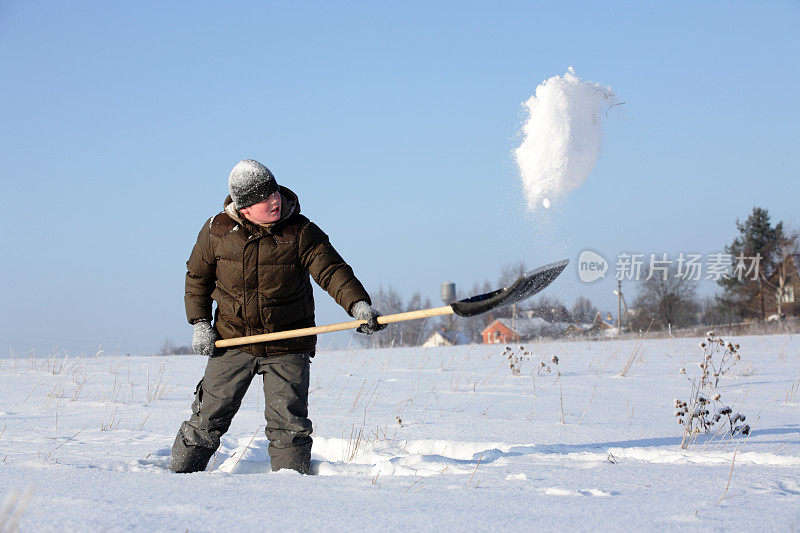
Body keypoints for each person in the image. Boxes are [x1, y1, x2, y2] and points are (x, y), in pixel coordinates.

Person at [168, 159, 385, 474]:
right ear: (243, 209)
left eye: (273, 193)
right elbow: (197, 279)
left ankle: (290, 491)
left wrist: (358, 306)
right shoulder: (217, 231)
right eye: (262, 199)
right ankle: (176, 479)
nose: (273, 201)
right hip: (234, 340)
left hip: (288, 342)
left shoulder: (301, 230)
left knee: (289, 426)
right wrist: (200, 323)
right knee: (206, 419)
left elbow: (332, 271)